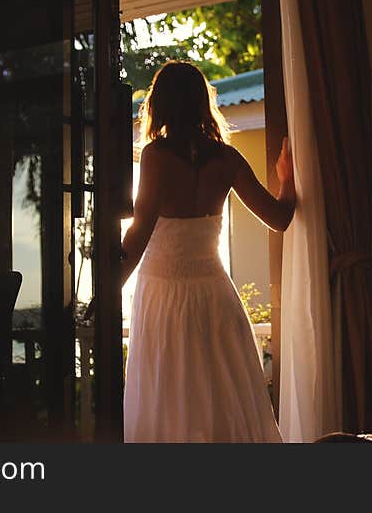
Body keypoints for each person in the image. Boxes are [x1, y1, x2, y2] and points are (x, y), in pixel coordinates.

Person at [120, 61, 295, 442]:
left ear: (160, 104)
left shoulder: (155, 156)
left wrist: (108, 287)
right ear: (202, 102)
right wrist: (287, 181)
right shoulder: (226, 159)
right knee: (220, 404)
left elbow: (139, 233)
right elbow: (279, 218)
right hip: (215, 294)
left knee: (169, 403)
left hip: (163, 297)